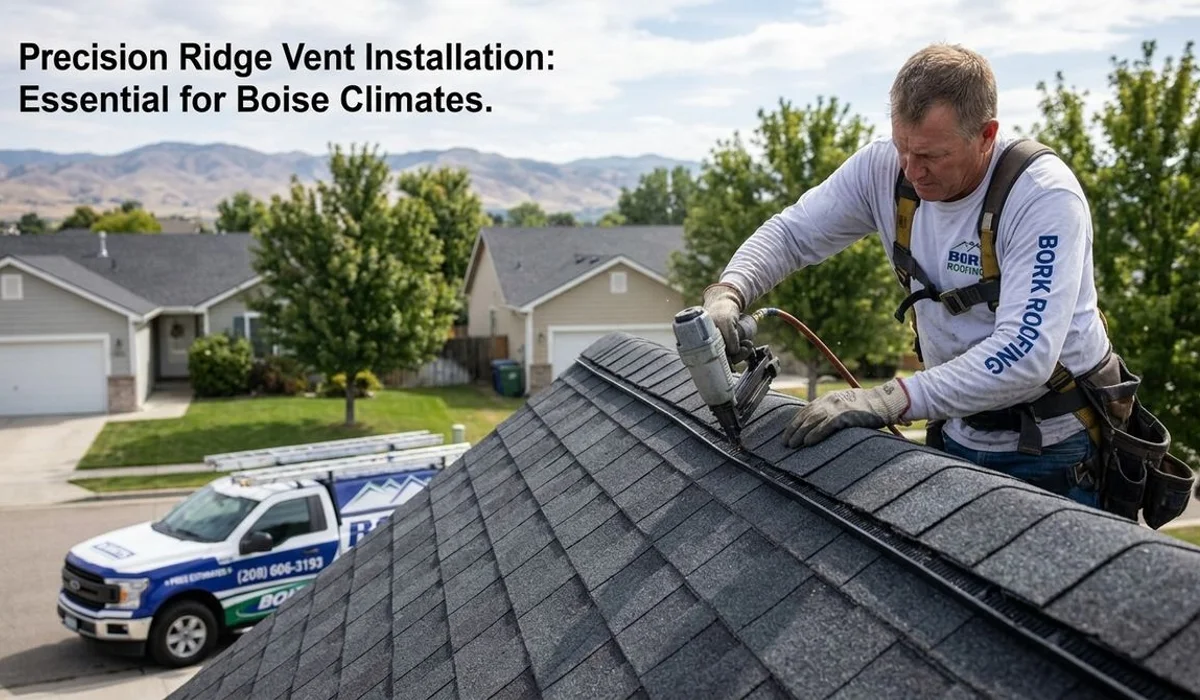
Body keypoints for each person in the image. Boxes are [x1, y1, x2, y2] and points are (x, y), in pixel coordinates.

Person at [701, 43, 1113, 507]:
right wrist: (729, 290)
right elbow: (794, 233)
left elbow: (1025, 353)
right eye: (902, 148)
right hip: (956, 428)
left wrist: (886, 401)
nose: (912, 171)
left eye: (932, 156)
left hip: (1054, 448)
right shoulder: (885, 170)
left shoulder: (1041, 197)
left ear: (986, 135)